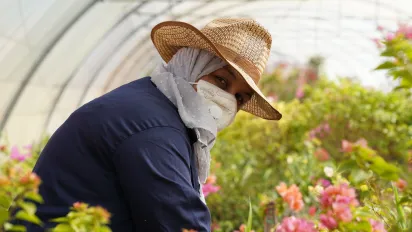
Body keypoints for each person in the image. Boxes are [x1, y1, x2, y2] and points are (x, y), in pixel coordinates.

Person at [26, 18, 282, 231]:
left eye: (239, 97)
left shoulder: (154, 104)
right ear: (192, 64)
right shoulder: (155, 132)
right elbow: (181, 225)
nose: (227, 101)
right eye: (222, 81)